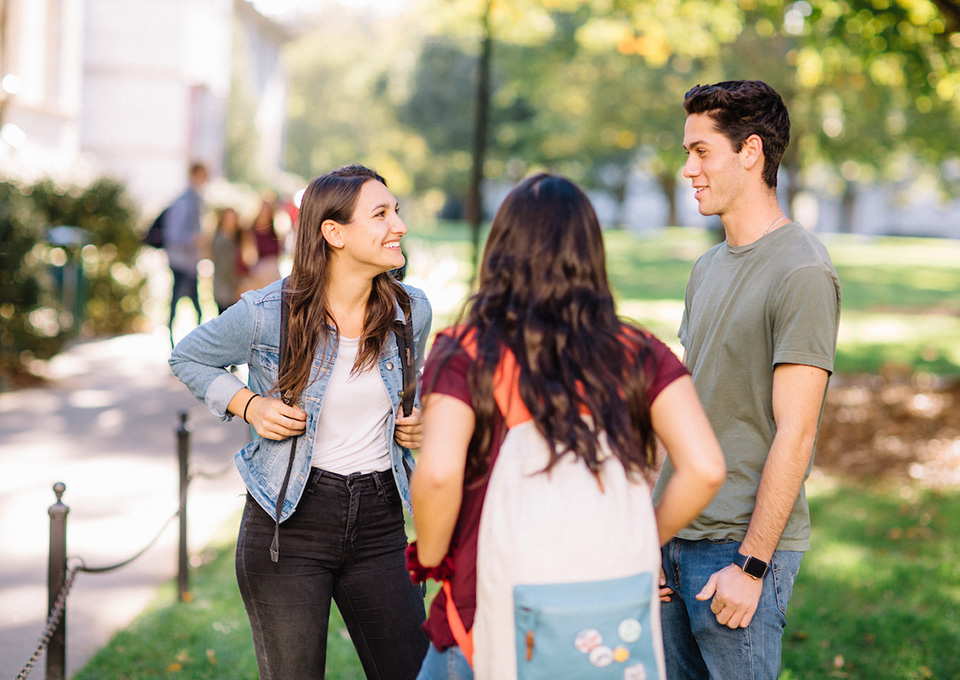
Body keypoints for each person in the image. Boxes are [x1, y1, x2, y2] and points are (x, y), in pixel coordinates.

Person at [408, 173, 726, 679]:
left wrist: (430, 558)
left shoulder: (467, 351)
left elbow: (439, 475)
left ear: (500, 252)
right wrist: (644, 535)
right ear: (591, 255)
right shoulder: (639, 353)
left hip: (481, 611)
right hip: (605, 609)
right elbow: (706, 466)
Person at [169, 164, 432, 679]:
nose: (398, 224)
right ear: (333, 233)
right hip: (288, 526)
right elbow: (188, 357)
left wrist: (416, 421)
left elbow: (404, 395)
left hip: (381, 520)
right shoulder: (269, 311)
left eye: (396, 211)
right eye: (381, 214)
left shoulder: (410, 310)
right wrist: (249, 404)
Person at [653, 80, 842, 680]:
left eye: (701, 151)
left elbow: (798, 431)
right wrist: (650, 529)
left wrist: (753, 565)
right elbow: (682, 403)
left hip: (735, 549)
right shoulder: (706, 266)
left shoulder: (803, 271)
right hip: (675, 538)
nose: (688, 169)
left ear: (751, 152)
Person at [164, 161, 208, 345]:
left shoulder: (195, 199)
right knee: (178, 303)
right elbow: (173, 233)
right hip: (181, 261)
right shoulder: (185, 201)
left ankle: (190, 344)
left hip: (190, 262)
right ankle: (173, 343)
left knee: (195, 305)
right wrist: (193, 239)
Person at [210, 207, 245, 314]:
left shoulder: (233, 239)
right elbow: (226, 268)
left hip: (228, 290)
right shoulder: (222, 241)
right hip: (225, 291)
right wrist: (238, 285)